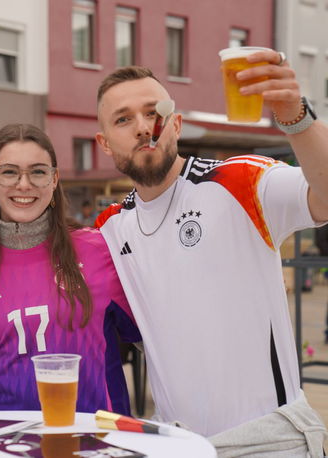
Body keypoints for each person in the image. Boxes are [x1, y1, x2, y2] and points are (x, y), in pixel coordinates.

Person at [93, 50, 328, 456]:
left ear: (176, 125)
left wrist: (296, 117)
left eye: (153, 112)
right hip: (178, 444)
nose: (143, 127)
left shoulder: (238, 179)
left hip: (270, 442)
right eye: (122, 119)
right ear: (105, 144)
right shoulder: (108, 227)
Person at [0, 124, 141, 416]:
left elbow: (156, 341)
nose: (24, 184)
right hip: (4, 442)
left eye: (38, 171)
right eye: (9, 172)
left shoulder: (99, 250)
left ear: (55, 179)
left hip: (95, 441)